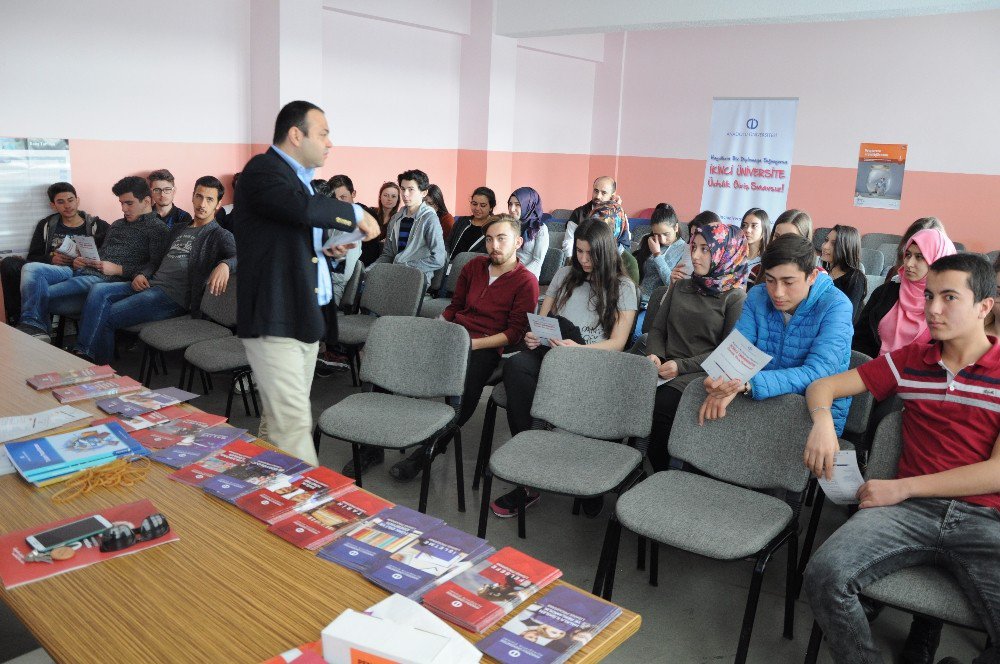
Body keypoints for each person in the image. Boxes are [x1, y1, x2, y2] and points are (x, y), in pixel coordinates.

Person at [802, 252, 1000, 664]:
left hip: (983, 518)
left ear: (984, 306)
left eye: (948, 297)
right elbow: (823, 387)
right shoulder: (913, 359)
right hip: (908, 512)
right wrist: (823, 423)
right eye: (929, 296)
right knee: (823, 576)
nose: (932, 309)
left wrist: (902, 487)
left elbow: (996, 473)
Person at [233, 100, 379, 467]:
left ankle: (261, 502)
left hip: (302, 314)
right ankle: (314, 513)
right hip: (276, 314)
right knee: (294, 426)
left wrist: (327, 249)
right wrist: (356, 213)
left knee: (278, 422)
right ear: (296, 135)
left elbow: (290, 238)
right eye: (324, 133)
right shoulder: (263, 171)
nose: (330, 143)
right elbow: (301, 211)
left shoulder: (300, 185)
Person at [371, 214, 539, 480]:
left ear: (518, 242)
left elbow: (514, 333)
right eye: (489, 239)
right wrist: (438, 330)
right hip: (453, 335)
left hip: (487, 346)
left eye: (502, 239)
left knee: (465, 393)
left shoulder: (525, 281)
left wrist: (472, 344)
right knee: (391, 361)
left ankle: (425, 453)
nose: (494, 245)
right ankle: (373, 445)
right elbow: (454, 308)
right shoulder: (473, 268)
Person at [495, 220, 638, 518]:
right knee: (517, 367)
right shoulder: (564, 274)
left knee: (563, 347)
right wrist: (534, 337)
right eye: (579, 252)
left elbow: (618, 343)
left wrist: (579, 349)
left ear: (605, 253)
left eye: (590, 254)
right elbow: (542, 321)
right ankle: (528, 468)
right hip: (554, 353)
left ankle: (590, 479)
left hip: (592, 359)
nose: (583, 260)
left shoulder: (622, 287)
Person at [697, 234, 853, 434]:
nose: (777, 292)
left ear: (812, 276)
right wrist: (719, 378)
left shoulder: (837, 306)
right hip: (759, 401)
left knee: (834, 464)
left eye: (788, 282)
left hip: (815, 415)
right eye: (770, 280)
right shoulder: (758, 295)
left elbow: (818, 373)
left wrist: (749, 384)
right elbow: (737, 347)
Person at [73, 176, 236, 364]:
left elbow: (240, 257)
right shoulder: (178, 228)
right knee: (99, 290)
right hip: (151, 284)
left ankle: (98, 368)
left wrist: (225, 265)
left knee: (106, 315)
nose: (202, 204)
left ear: (218, 204)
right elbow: (156, 260)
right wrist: (142, 273)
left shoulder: (219, 234)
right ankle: (84, 353)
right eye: (199, 197)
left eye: (209, 199)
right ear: (192, 197)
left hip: (172, 297)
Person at [645, 221, 749, 471]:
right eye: (695, 247)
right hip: (664, 365)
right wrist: (655, 354)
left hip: (699, 372)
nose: (695, 255)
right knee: (624, 389)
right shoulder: (681, 286)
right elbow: (658, 329)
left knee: (660, 405)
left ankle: (662, 473)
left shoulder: (734, 297)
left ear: (725, 253)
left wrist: (680, 367)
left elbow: (725, 352)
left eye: (705, 249)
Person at [15, 176, 168, 341]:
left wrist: (118, 269)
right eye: (121, 203)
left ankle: (35, 330)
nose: (123, 208)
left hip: (103, 281)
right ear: (53, 205)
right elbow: (102, 252)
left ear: (146, 201)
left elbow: (155, 266)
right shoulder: (117, 224)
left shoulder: (157, 228)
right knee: (29, 269)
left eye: (128, 203)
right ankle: (35, 327)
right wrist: (81, 259)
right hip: (81, 271)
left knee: (36, 294)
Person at [1, 182, 108, 325]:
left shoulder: (97, 225)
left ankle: (32, 324)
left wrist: (83, 261)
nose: (67, 206)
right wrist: (51, 259)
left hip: (78, 273)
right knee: (9, 264)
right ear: (53, 205)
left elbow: (110, 255)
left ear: (78, 200)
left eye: (71, 200)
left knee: (33, 280)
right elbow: (33, 257)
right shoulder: (46, 225)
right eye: (61, 202)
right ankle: (17, 319)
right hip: (50, 272)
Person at [854, 228, 957, 359]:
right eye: (908, 255)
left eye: (919, 257)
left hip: (919, 377)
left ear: (938, 260)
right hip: (872, 371)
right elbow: (860, 339)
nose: (909, 263)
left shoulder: (949, 305)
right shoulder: (886, 292)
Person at [372, 169, 446, 287]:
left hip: (417, 278)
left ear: (424, 193)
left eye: (411, 189)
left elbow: (439, 258)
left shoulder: (430, 219)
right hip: (395, 274)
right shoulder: (395, 219)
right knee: (366, 286)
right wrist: (370, 270)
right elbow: (387, 255)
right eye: (402, 189)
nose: (405, 194)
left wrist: (405, 267)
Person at [632, 203, 686, 333]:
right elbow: (641, 273)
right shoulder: (650, 241)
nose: (661, 239)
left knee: (637, 334)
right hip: (638, 298)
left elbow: (670, 282)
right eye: (657, 234)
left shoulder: (684, 250)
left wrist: (657, 254)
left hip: (658, 304)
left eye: (666, 234)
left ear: (676, 228)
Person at [561, 176, 631, 257]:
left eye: (603, 193)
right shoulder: (579, 213)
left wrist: (614, 208)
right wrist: (573, 261)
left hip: (612, 260)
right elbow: (569, 242)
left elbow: (626, 240)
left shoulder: (619, 214)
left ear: (612, 195)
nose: (598, 196)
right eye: (596, 191)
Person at [820, 224, 866, 320]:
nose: (825, 246)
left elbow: (847, 317)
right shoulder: (823, 274)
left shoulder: (856, 278)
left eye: (834, 243)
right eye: (826, 240)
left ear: (847, 248)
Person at [590, 199, 640, 285]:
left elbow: (631, 295)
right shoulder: (584, 252)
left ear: (618, 229)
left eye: (605, 230)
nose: (598, 234)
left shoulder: (628, 262)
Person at [884, 217, 946, 283]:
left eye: (920, 256)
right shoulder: (893, 278)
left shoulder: (951, 289)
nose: (909, 264)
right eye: (908, 254)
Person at [508, 187, 548, 279]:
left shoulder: (540, 229)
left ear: (529, 205)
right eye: (510, 204)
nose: (512, 209)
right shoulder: (507, 225)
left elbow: (537, 261)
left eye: (517, 205)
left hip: (526, 277)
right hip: (506, 273)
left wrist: (514, 277)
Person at [669, 210, 719, 285]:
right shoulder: (688, 248)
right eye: (692, 235)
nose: (693, 240)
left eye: (698, 234)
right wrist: (672, 284)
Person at [447, 186, 496, 260]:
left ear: (491, 207)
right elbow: (448, 244)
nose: (477, 208)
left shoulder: (494, 228)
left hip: (472, 269)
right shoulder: (462, 221)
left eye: (482, 205)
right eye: (474, 204)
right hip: (449, 266)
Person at [360, 181, 400, 266]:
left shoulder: (398, 219)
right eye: (386, 195)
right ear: (380, 196)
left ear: (398, 199)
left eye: (393, 196)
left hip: (383, 259)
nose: (389, 199)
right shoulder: (370, 213)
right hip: (364, 253)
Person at [740, 207, 770, 283]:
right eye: (745, 225)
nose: (747, 230)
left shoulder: (766, 262)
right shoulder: (734, 257)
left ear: (764, 230)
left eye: (754, 226)